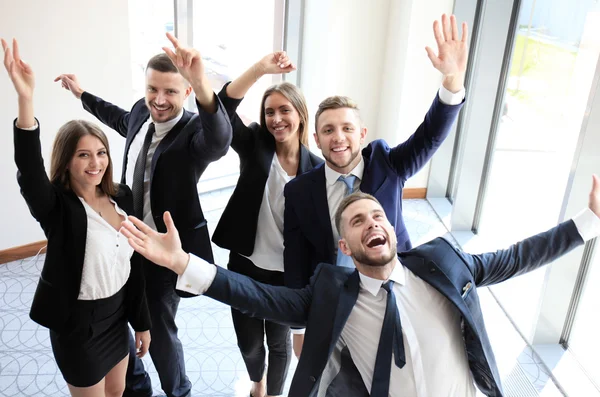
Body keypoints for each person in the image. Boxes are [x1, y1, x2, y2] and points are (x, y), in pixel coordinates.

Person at [120, 178, 600, 396]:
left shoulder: (444, 264)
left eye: (377, 216)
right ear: (345, 246)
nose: (372, 223)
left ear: (391, 229)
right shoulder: (332, 292)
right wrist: (186, 264)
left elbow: (516, 258)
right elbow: (258, 296)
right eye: (356, 221)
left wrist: (589, 220)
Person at [54, 33, 232, 397]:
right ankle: (136, 386)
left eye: (170, 91)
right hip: (123, 243)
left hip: (163, 252)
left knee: (159, 332)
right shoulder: (140, 110)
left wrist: (200, 82)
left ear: (185, 94)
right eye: (153, 89)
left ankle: (178, 391)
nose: (159, 100)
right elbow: (118, 118)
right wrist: (81, 95)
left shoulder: (194, 134)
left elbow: (219, 140)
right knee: (119, 320)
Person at [283, 13, 469, 355]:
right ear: (317, 140)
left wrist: (452, 80)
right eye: (328, 131)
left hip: (397, 285)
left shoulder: (388, 163)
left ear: (362, 134)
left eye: (347, 128)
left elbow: (429, 137)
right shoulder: (298, 191)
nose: (339, 138)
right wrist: (298, 325)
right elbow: (294, 258)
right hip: (337, 297)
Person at [3, 38, 151, 397]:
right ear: (67, 160)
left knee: (118, 393)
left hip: (117, 320)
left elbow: (133, 270)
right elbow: (29, 168)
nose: (95, 162)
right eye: (83, 155)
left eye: (100, 152)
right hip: (77, 327)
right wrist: (26, 99)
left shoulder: (122, 198)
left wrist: (141, 325)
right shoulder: (57, 207)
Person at [210, 52, 323, 397]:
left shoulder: (317, 170)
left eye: (284, 111)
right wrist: (261, 69)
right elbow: (223, 107)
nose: (276, 119)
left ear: (301, 116)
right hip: (244, 265)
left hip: (285, 277)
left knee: (278, 343)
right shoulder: (256, 144)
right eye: (270, 112)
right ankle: (256, 380)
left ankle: (271, 393)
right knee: (249, 345)